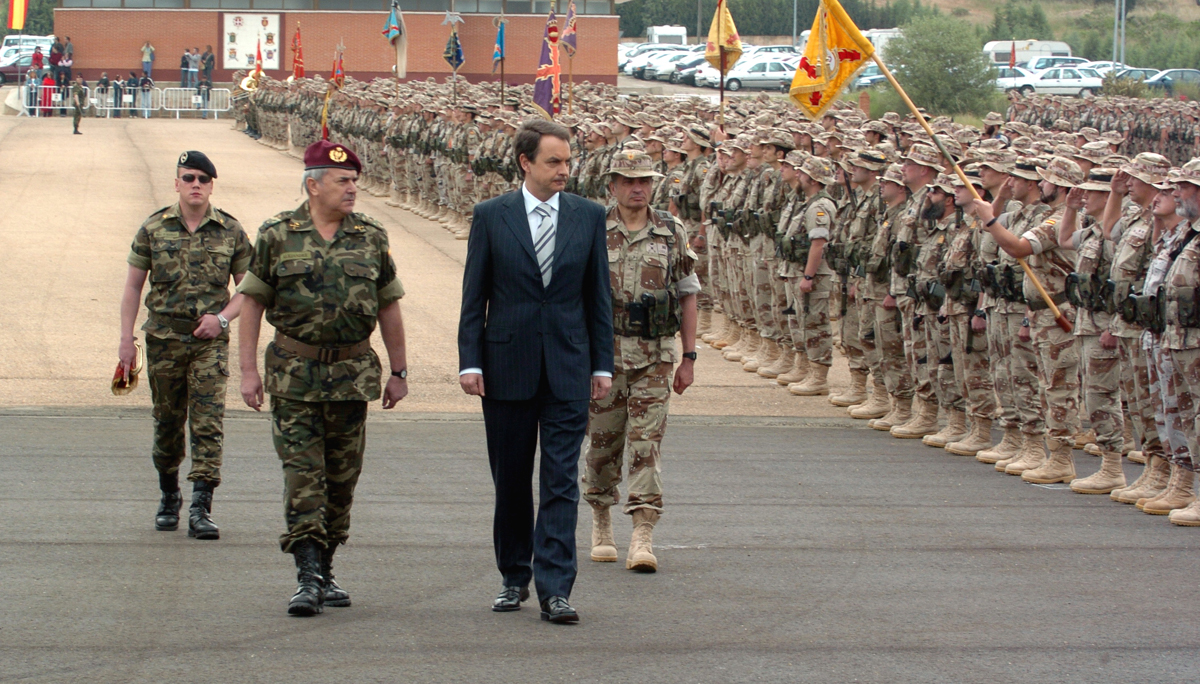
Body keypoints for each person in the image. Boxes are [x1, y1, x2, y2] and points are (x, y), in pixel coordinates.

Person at [237, 140, 409, 617]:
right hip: (293, 377)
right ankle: (307, 575)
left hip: (351, 377)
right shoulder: (277, 235)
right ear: (313, 185)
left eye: (354, 180)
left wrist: (399, 371)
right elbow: (251, 302)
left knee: (341, 480)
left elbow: (388, 304)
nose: (353, 188)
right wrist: (248, 371)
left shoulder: (371, 236)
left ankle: (327, 566)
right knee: (302, 476)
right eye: (342, 181)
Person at [457, 118, 614, 624]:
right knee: (511, 479)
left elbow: (598, 299)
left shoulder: (588, 216)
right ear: (526, 163)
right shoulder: (491, 215)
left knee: (561, 482)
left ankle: (555, 588)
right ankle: (512, 576)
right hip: (506, 367)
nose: (564, 171)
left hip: (568, 367)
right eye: (554, 162)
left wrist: (602, 365)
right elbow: (473, 296)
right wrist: (470, 360)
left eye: (568, 161)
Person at [118, 151, 251, 541]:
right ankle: (168, 494)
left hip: (209, 341)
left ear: (212, 186)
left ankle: (201, 507)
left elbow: (250, 288)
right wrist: (125, 340)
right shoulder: (154, 228)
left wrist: (222, 318)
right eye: (189, 178)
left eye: (204, 180)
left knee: (208, 423)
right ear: (176, 183)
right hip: (163, 340)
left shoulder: (230, 231)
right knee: (167, 422)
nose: (196, 185)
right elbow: (132, 286)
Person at [583, 149, 699, 573]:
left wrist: (688, 357)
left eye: (645, 181)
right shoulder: (593, 227)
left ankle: (643, 533)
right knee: (603, 444)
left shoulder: (671, 230)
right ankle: (600, 520)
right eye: (629, 180)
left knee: (646, 444)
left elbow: (688, 293)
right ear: (611, 184)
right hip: (604, 357)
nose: (638, 188)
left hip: (655, 357)